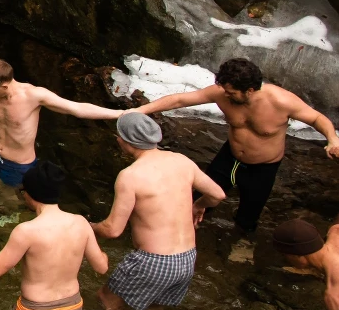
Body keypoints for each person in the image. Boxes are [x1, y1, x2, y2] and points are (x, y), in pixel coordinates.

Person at [134, 57, 339, 241]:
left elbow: (316, 118)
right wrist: (140, 110)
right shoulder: (223, 93)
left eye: (231, 92)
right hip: (229, 158)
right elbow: (180, 100)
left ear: (249, 90)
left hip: (263, 167)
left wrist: (332, 139)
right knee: (199, 199)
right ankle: (179, 236)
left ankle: (240, 245)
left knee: (248, 215)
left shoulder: (281, 101)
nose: (226, 95)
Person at [93, 113, 226, 310]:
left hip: (154, 261)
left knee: (107, 299)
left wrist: (88, 227)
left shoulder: (131, 176)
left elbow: (112, 230)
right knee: (154, 306)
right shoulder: (181, 161)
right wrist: (199, 204)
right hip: (186, 259)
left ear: (124, 141)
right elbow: (217, 195)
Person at [0, 58, 123, 189]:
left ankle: (5, 229)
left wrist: (120, 114)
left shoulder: (34, 96)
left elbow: (76, 108)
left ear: (4, 85)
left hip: (18, 163)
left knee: (5, 199)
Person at [0, 160, 109, 310]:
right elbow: (101, 268)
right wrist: (104, 255)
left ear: (30, 194)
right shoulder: (80, 222)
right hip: (72, 308)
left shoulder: (26, 231)